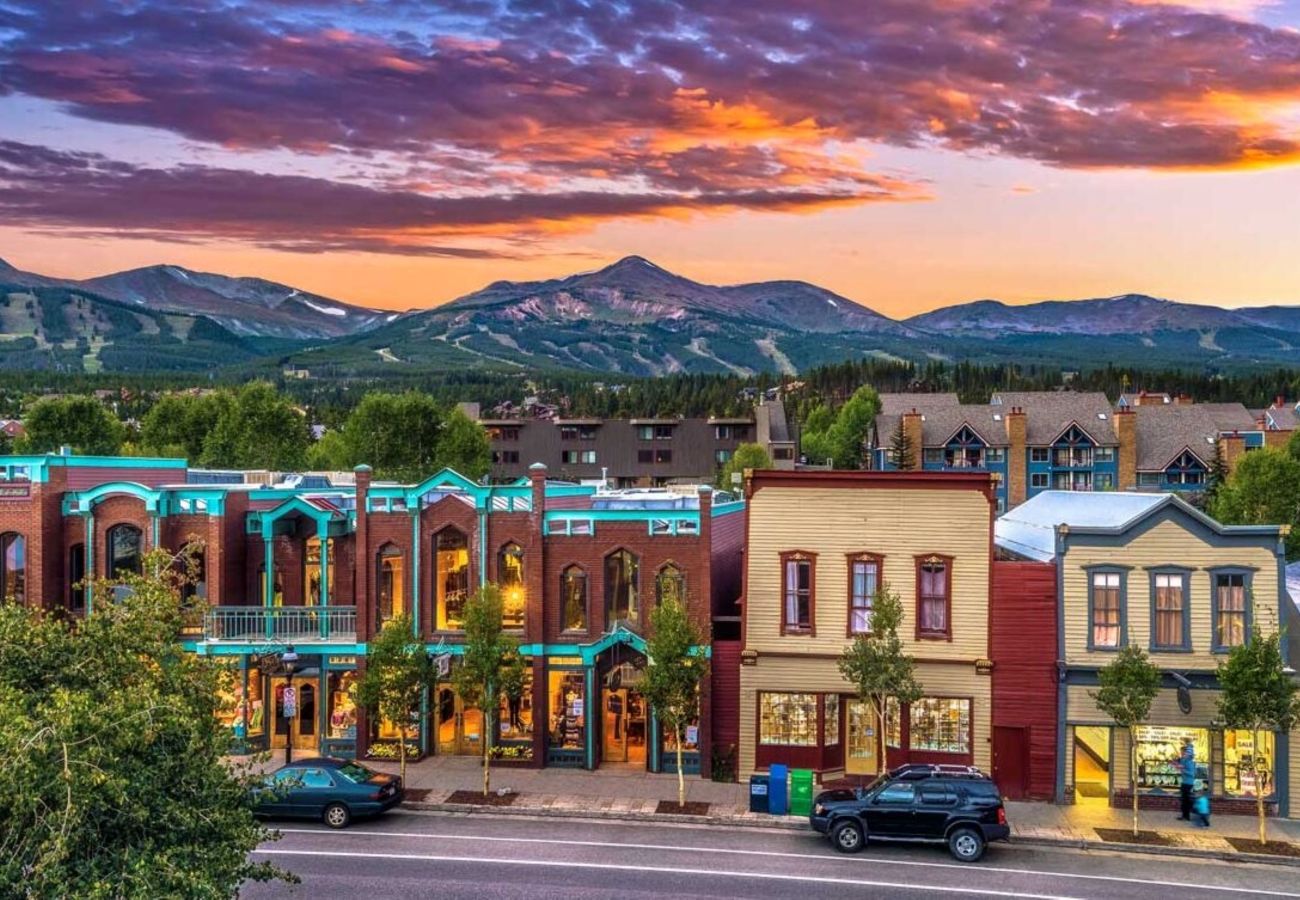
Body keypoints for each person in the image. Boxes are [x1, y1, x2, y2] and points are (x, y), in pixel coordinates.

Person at [1178, 738, 1197, 821]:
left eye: (1182, 752)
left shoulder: (1190, 762)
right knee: (1184, 800)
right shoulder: (1184, 760)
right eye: (1181, 752)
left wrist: (1183, 770)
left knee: (1186, 800)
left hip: (1188, 783)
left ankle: (1187, 816)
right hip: (1184, 782)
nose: (1181, 754)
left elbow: (1192, 774)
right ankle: (1184, 815)